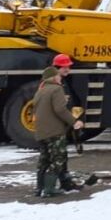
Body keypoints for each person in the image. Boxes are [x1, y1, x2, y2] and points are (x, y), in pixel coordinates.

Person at [33, 54, 84, 198]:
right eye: (65, 66)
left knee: (47, 159)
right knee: (58, 159)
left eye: (69, 66)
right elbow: (60, 109)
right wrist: (74, 122)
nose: (68, 69)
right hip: (55, 129)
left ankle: (44, 187)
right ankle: (48, 190)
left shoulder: (42, 88)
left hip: (44, 130)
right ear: (56, 69)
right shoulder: (56, 87)